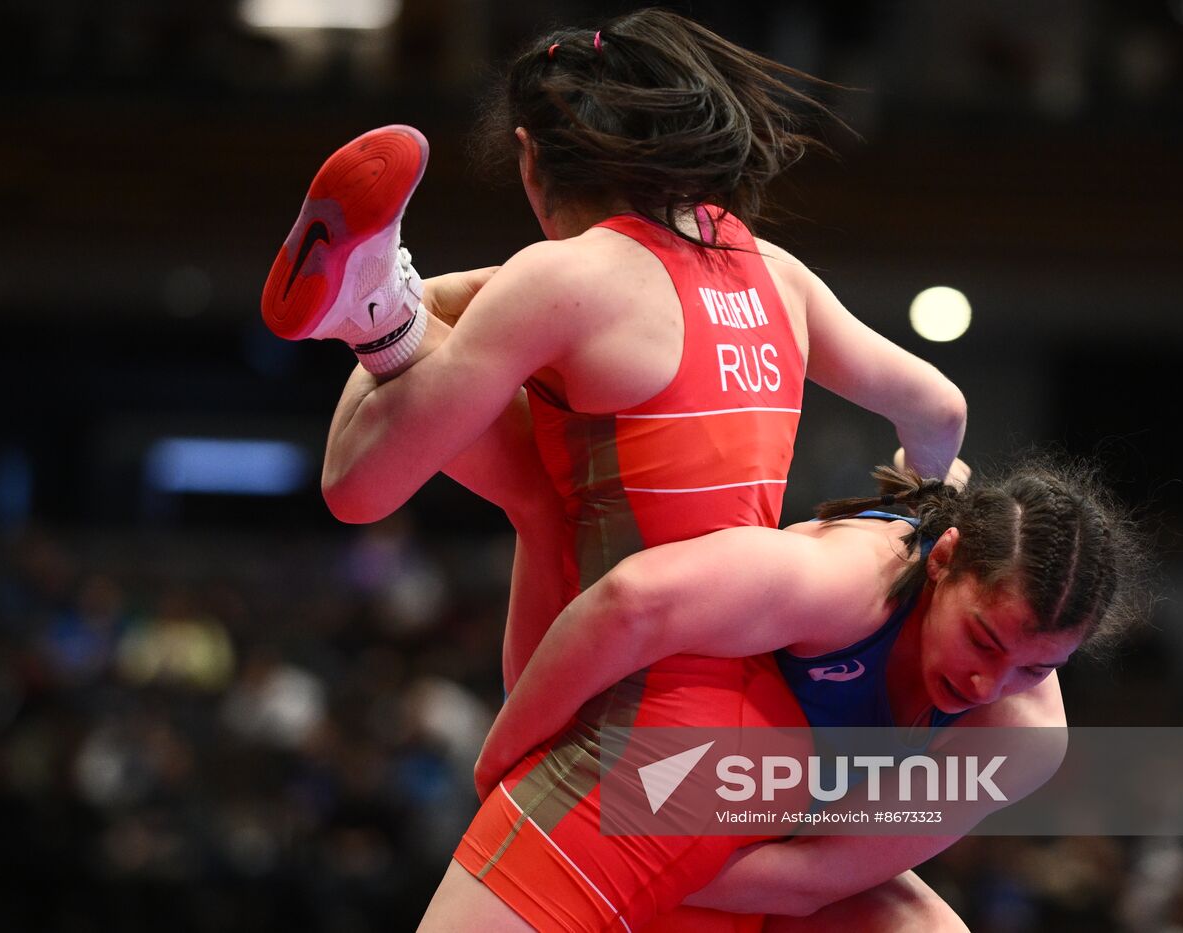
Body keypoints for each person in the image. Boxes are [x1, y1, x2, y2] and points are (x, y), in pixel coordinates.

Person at [260, 8, 966, 929]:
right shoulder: (776, 274)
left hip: (642, 736)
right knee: (544, 467)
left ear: (529, 158)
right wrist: (917, 517)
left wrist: (393, 330)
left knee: (492, 438)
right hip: (746, 724)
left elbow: (358, 488)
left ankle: (375, 315)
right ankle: (381, 304)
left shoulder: (563, 278)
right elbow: (940, 407)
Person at [473, 459, 1149, 930]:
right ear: (941, 559)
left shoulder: (1023, 736)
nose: (988, 684)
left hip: (751, 846)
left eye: (1035, 669)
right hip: (651, 771)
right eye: (983, 640)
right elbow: (630, 600)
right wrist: (502, 762)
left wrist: (653, 865)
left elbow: (817, 879)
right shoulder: (848, 579)